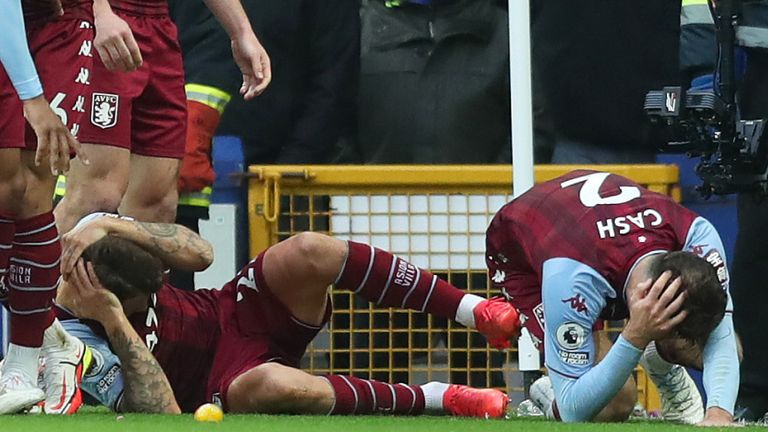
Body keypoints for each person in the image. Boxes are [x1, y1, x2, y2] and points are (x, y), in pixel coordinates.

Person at [52, 213, 519, 416]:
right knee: (275, 386)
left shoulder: (95, 236)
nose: (156, 297)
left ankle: (473, 310)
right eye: (140, 303)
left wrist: (112, 223)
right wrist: (114, 320)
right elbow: (166, 412)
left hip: (227, 307)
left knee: (307, 249)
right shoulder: (70, 341)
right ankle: (443, 397)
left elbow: (201, 253)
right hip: (223, 381)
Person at [484, 170, 739, 425]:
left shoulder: (699, 237)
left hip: (596, 233)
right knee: (615, 404)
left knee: (729, 351)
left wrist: (719, 413)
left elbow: (722, 338)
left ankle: (659, 363)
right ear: (644, 296)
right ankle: (549, 394)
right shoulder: (571, 280)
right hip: (521, 255)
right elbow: (575, 410)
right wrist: (635, 337)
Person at [53, 0, 271, 234]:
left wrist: (241, 32)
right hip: (99, 21)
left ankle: (131, 271)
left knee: (157, 205)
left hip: (158, 27)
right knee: (95, 196)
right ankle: (45, 270)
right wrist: (98, 12)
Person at [0, 0, 95, 414]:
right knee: (9, 192)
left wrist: (33, 98)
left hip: (58, 24)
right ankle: (52, 339)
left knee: (29, 190)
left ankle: (20, 365)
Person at [679, 0, 768, 420]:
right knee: (756, 253)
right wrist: (703, 84)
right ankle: (755, 392)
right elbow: (699, 17)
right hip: (754, 77)